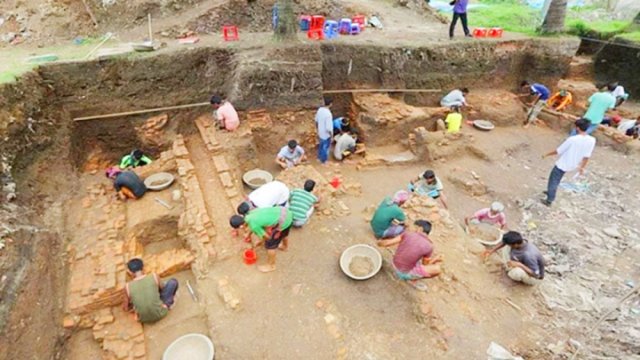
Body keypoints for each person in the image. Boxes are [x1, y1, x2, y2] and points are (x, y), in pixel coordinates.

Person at [541, 118, 595, 206]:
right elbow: (587, 156)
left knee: (553, 180)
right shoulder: (592, 140)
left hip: (562, 163)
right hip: (573, 164)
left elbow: (558, 151)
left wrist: (546, 154)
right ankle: (550, 192)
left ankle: (549, 199)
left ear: (577, 128)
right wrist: (582, 167)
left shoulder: (572, 139)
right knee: (557, 179)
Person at [378, 220, 442, 289]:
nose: (413, 230)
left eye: (415, 228)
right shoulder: (429, 246)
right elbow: (425, 265)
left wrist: (379, 243)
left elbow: (387, 243)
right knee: (437, 269)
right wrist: (435, 259)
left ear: (420, 229)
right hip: (403, 273)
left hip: (394, 264)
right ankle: (412, 280)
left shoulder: (407, 234)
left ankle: (409, 275)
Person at [230, 206, 293, 273]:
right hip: (285, 213)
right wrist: (249, 234)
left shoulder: (253, 225)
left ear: (241, 226)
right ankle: (284, 246)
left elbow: (267, 237)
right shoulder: (250, 213)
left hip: (282, 221)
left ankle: (271, 266)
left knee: (270, 245)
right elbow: (258, 223)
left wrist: (262, 242)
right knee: (283, 232)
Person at [123, 258, 179, 323]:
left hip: (143, 319)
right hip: (161, 313)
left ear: (130, 272)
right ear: (143, 268)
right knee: (173, 282)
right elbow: (163, 289)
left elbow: (125, 308)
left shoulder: (127, 286)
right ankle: (166, 305)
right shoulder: (154, 276)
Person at [315, 97, 333, 164]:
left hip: (320, 132)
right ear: (330, 104)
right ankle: (324, 161)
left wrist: (317, 129)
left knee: (321, 145)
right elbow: (329, 128)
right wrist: (331, 136)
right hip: (326, 134)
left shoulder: (320, 110)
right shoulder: (328, 114)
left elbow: (316, 120)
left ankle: (319, 158)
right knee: (325, 147)